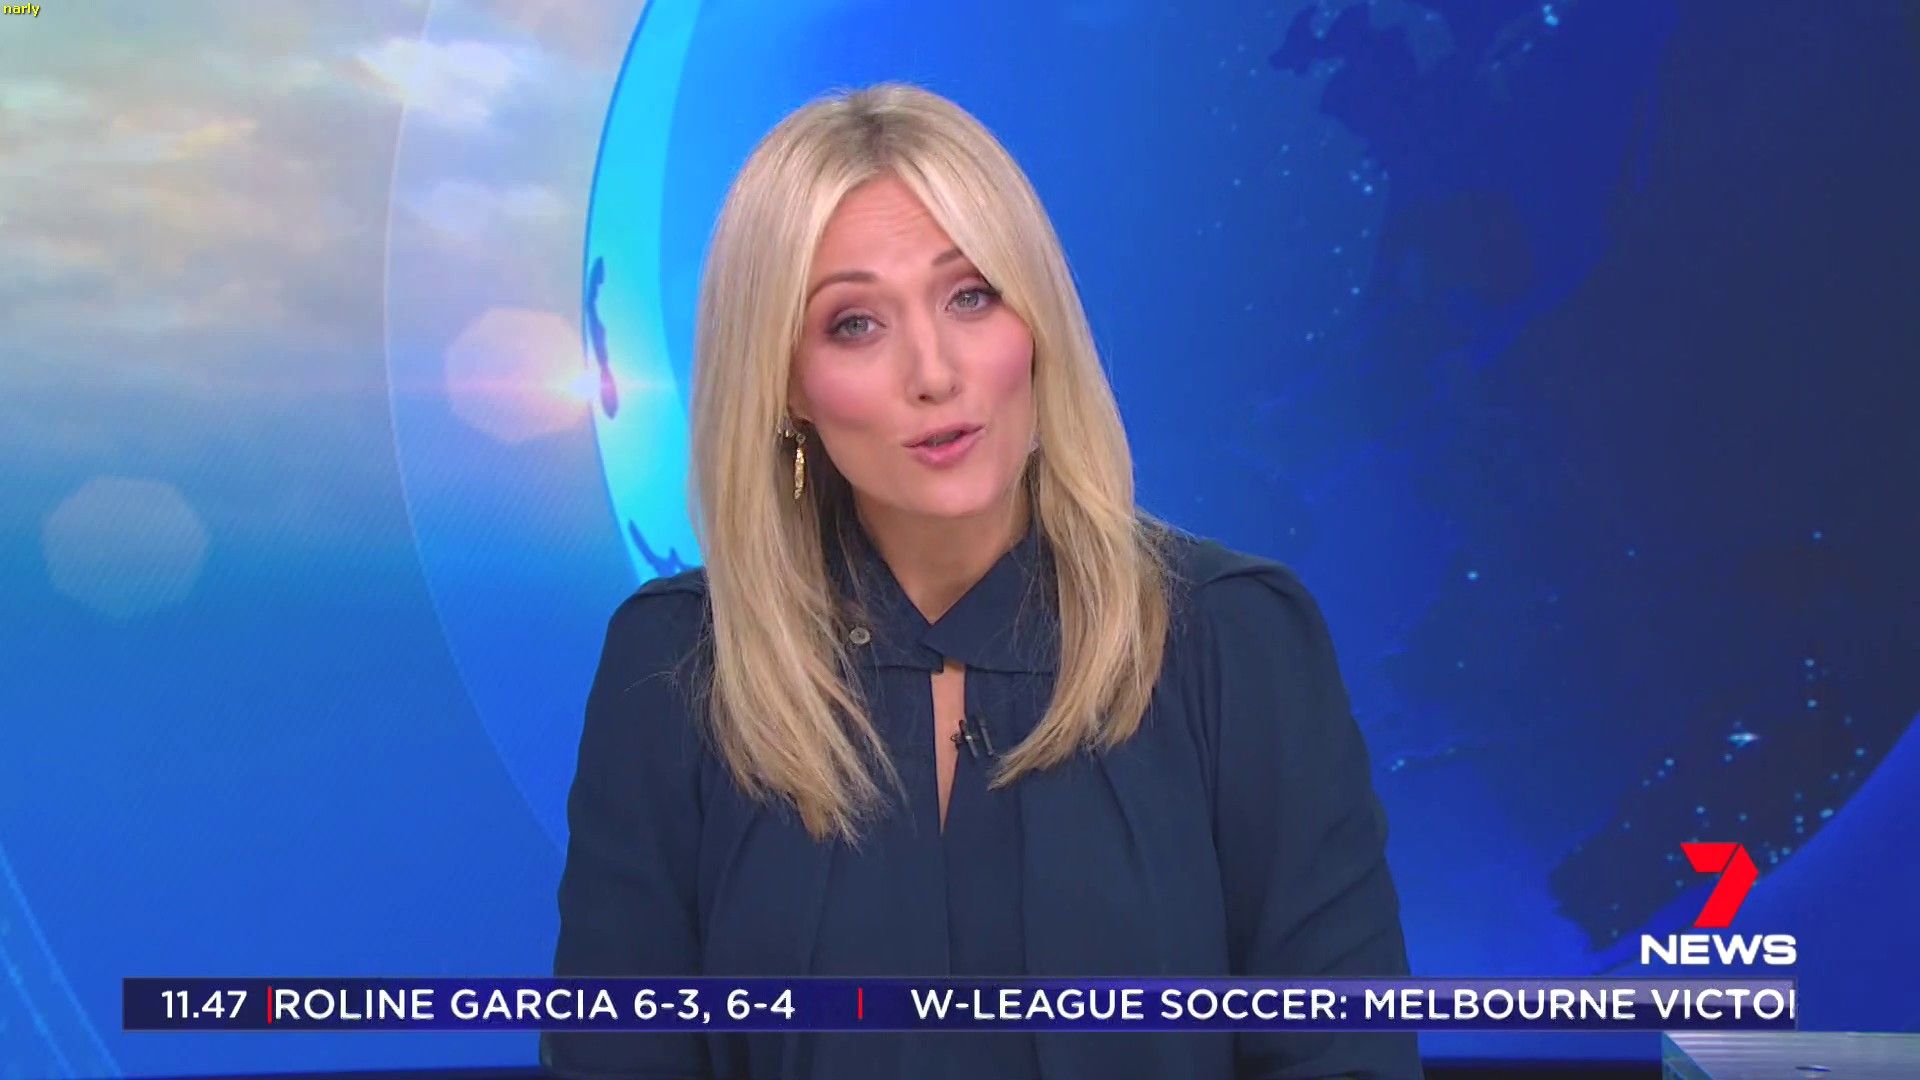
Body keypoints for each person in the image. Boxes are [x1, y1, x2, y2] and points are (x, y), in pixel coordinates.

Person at [542, 82, 1421, 1080]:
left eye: (971, 296)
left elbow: (1343, 1054)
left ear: (1036, 321)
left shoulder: (1233, 641)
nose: (934, 372)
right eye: (854, 324)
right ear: (785, 382)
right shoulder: (676, 669)